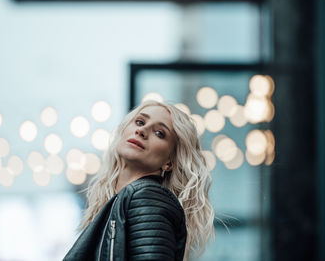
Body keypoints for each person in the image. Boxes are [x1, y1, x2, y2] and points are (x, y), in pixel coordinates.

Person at [63, 100, 215, 261]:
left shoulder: (147, 197)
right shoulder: (125, 201)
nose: (142, 130)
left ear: (169, 162)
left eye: (160, 133)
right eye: (140, 122)